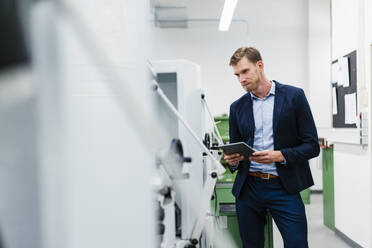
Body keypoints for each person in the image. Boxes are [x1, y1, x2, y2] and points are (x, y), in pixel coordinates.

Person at [223, 47, 320, 248]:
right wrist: (232, 160)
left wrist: (280, 155)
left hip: (284, 187)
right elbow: (235, 148)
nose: (241, 79)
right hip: (249, 188)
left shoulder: (294, 97)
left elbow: (312, 146)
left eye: (245, 71)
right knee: (252, 245)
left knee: (297, 244)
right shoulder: (237, 107)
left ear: (260, 66)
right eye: (237, 75)